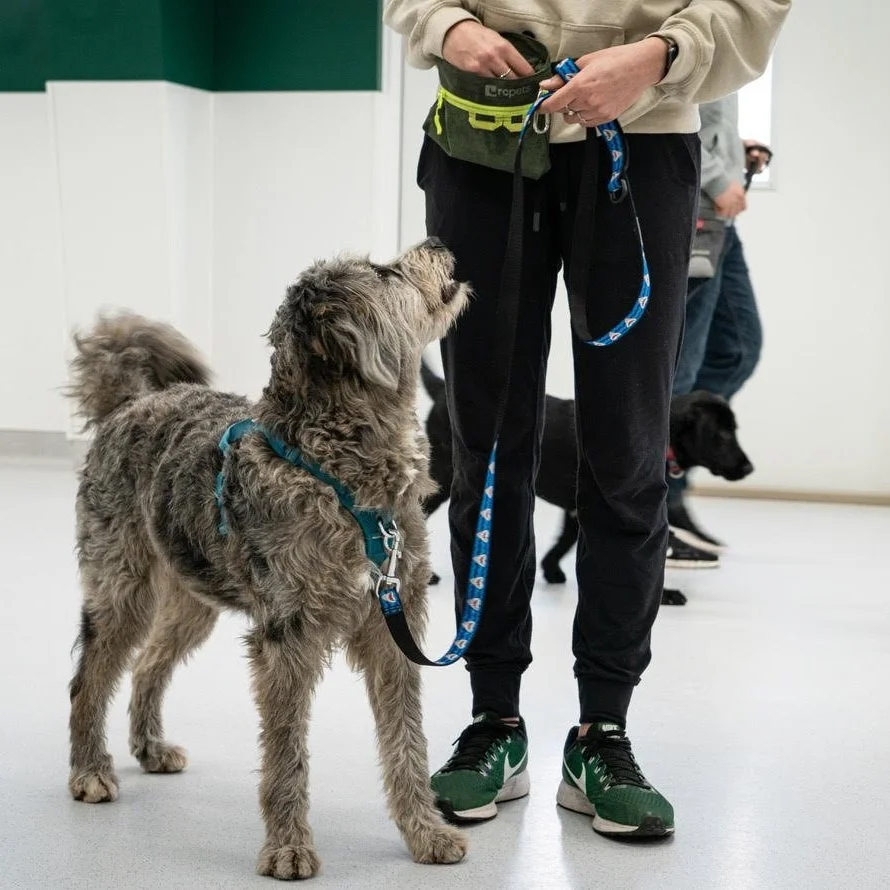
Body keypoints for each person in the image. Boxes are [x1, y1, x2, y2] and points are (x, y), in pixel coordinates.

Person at [384, 0, 790, 838]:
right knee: (485, 446)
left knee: (630, 451)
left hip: (642, 139)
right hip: (483, 133)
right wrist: (444, 26)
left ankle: (602, 731)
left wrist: (660, 54)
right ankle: (494, 718)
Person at [668, 94, 772, 554]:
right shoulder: (686, 22)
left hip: (715, 212)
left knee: (737, 351)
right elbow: (661, 108)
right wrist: (714, 173)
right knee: (680, 370)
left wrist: (732, 147)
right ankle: (660, 509)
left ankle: (670, 486)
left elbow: (703, 115)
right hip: (691, 205)